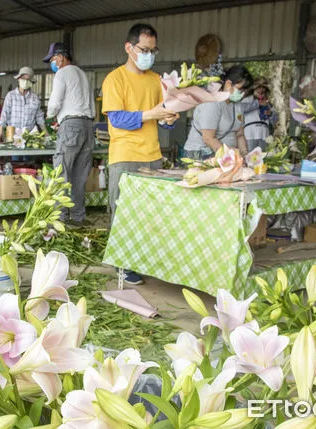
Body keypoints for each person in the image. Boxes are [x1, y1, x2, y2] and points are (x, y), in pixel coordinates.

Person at [102, 23, 178, 285]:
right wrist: (152, 114)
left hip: (153, 154)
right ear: (129, 47)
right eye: (144, 49)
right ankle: (122, 264)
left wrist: (169, 118)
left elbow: (165, 114)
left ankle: (144, 260)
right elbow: (117, 118)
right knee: (123, 211)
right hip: (125, 155)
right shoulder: (115, 79)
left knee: (149, 213)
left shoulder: (157, 80)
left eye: (153, 50)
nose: (148, 54)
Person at [44, 43, 95, 225]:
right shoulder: (82, 74)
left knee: (62, 173)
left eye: (52, 60)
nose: (52, 64)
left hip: (71, 126)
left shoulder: (62, 73)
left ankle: (59, 219)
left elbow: (55, 103)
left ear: (60, 57)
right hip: (88, 126)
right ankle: (78, 217)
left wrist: (51, 116)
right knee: (80, 176)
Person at [183, 65, 252, 160]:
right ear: (228, 84)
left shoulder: (237, 106)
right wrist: (231, 156)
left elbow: (239, 134)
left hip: (226, 155)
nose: (243, 94)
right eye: (240, 90)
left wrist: (245, 156)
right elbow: (208, 139)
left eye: (245, 91)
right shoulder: (212, 102)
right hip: (201, 155)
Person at [0, 66, 46, 142]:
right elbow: (4, 115)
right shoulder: (11, 96)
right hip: (13, 136)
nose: (25, 81)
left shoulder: (35, 98)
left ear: (31, 82)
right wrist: (0, 132)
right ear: (18, 79)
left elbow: (39, 117)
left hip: (30, 137)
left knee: (29, 153)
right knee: (15, 154)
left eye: (28, 79)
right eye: (23, 78)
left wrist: (46, 133)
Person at [242, 78, 277, 152]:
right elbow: (242, 109)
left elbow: (275, 120)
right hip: (250, 133)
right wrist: (258, 103)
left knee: (263, 159)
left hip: (264, 134)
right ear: (253, 90)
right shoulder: (247, 100)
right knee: (249, 158)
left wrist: (270, 114)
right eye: (258, 90)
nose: (261, 91)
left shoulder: (268, 104)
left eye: (263, 91)